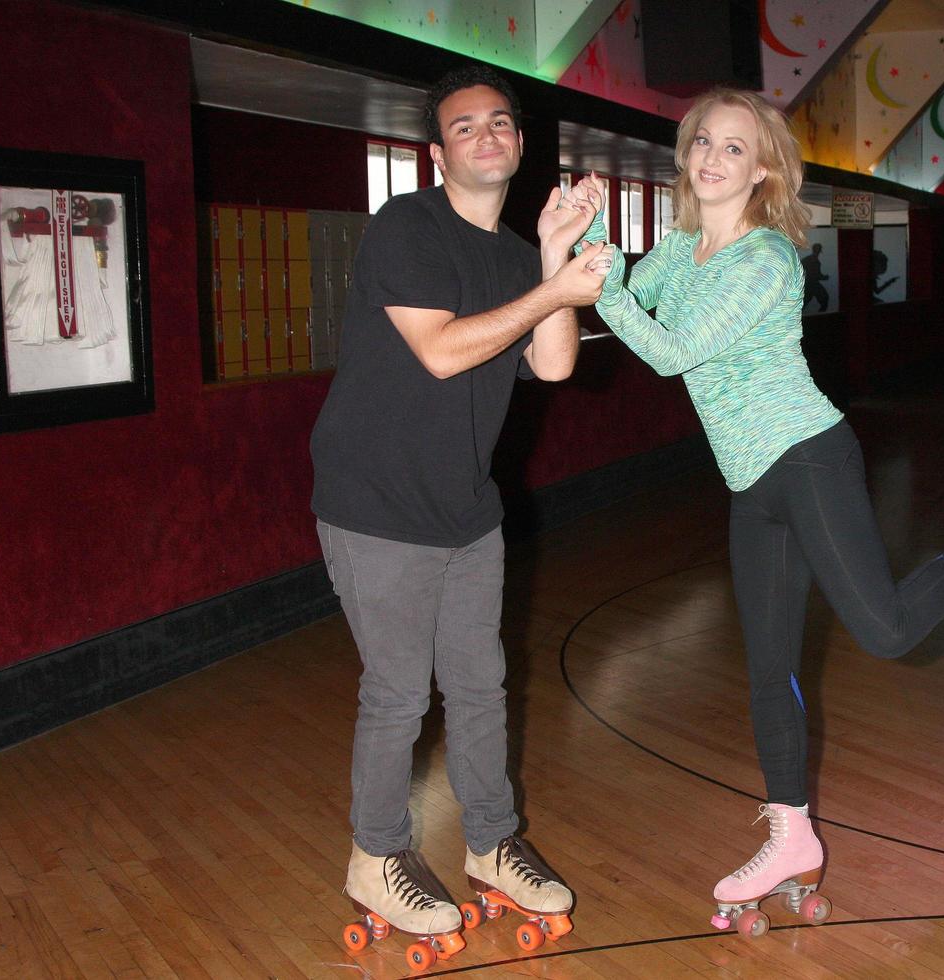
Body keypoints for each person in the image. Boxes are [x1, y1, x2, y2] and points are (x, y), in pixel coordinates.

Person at [572, 88, 944, 917]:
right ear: (686, 157)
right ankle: (790, 829)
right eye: (702, 144)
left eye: (734, 148)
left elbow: (669, 349)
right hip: (748, 482)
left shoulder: (764, 258)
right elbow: (625, 290)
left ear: (761, 169)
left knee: (886, 631)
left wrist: (597, 277)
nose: (713, 159)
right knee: (768, 668)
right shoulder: (681, 242)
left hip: (806, 460)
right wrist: (587, 236)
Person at [310, 65, 604, 945]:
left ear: (518, 144)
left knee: (480, 687)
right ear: (438, 153)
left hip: (466, 508)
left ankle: (490, 842)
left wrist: (550, 260)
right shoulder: (408, 226)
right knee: (399, 694)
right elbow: (440, 352)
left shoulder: (516, 258)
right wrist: (553, 290)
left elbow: (552, 364)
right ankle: (375, 854)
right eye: (464, 126)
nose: (486, 135)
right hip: (375, 502)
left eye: (500, 123)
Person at [800, 242, 829, 312]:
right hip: (812, 284)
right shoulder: (811, 259)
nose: (818, 252)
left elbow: (816, 275)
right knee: (824, 298)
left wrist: (823, 277)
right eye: (818, 250)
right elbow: (816, 275)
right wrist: (824, 277)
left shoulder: (813, 260)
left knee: (806, 301)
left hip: (810, 283)